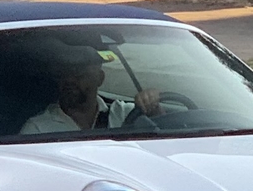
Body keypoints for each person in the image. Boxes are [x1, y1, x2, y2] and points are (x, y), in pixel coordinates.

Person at [20, 44, 164, 133]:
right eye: (64, 75)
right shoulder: (38, 128)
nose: (70, 80)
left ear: (99, 79)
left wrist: (153, 106)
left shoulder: (124, 113)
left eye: (79, 74)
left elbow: (165, 133)